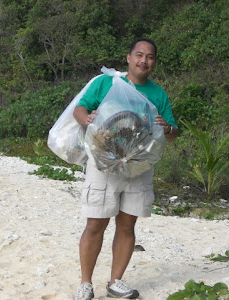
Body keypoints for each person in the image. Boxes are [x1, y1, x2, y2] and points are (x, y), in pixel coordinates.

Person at [73, 38, 179, 300]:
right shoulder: (106, 83)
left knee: (127, 224)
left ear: (154, 62)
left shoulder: (158, 94)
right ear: (129, 57)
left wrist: (167, 128)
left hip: (139, 166)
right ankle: (86, 284)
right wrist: (86, 118)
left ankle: (115, 282)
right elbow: (80, 108)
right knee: (96, 222)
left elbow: (173, 133)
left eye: (150, 57)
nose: (144, 60)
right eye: (139, 55)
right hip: (103, 162)